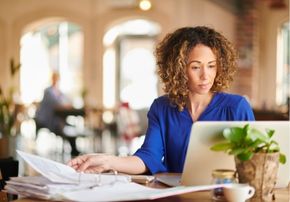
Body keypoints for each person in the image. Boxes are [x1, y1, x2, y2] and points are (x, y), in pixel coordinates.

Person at [68, 26, 255, 174]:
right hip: (176, 196)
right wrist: (108, 161)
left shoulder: (236, 107)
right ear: (179, 69)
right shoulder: (162, 107)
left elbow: (254, 162)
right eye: (196, 67)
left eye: (212, 66)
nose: (206, 75)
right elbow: (149, 157)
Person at [35, 72, 80, 156]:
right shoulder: (48, 91)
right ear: (52, 79)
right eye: (55, 78)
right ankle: (73, 149)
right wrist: (65, 105)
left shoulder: (59, 91)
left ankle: (74, 149)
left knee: (69, 126)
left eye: (58, 79)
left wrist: (67, 104)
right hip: (48, 119)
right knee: (63, 126)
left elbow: (66, 101)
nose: (56, 80)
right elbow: (56, 104)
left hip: (57, 118)